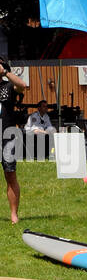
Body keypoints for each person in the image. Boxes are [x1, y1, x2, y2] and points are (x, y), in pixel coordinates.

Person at [0, 60, 28, 223]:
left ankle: (13, 215)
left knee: (10, 175)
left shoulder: (8, 87)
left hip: (6, 135)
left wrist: (5, 72)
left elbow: (22, 85)